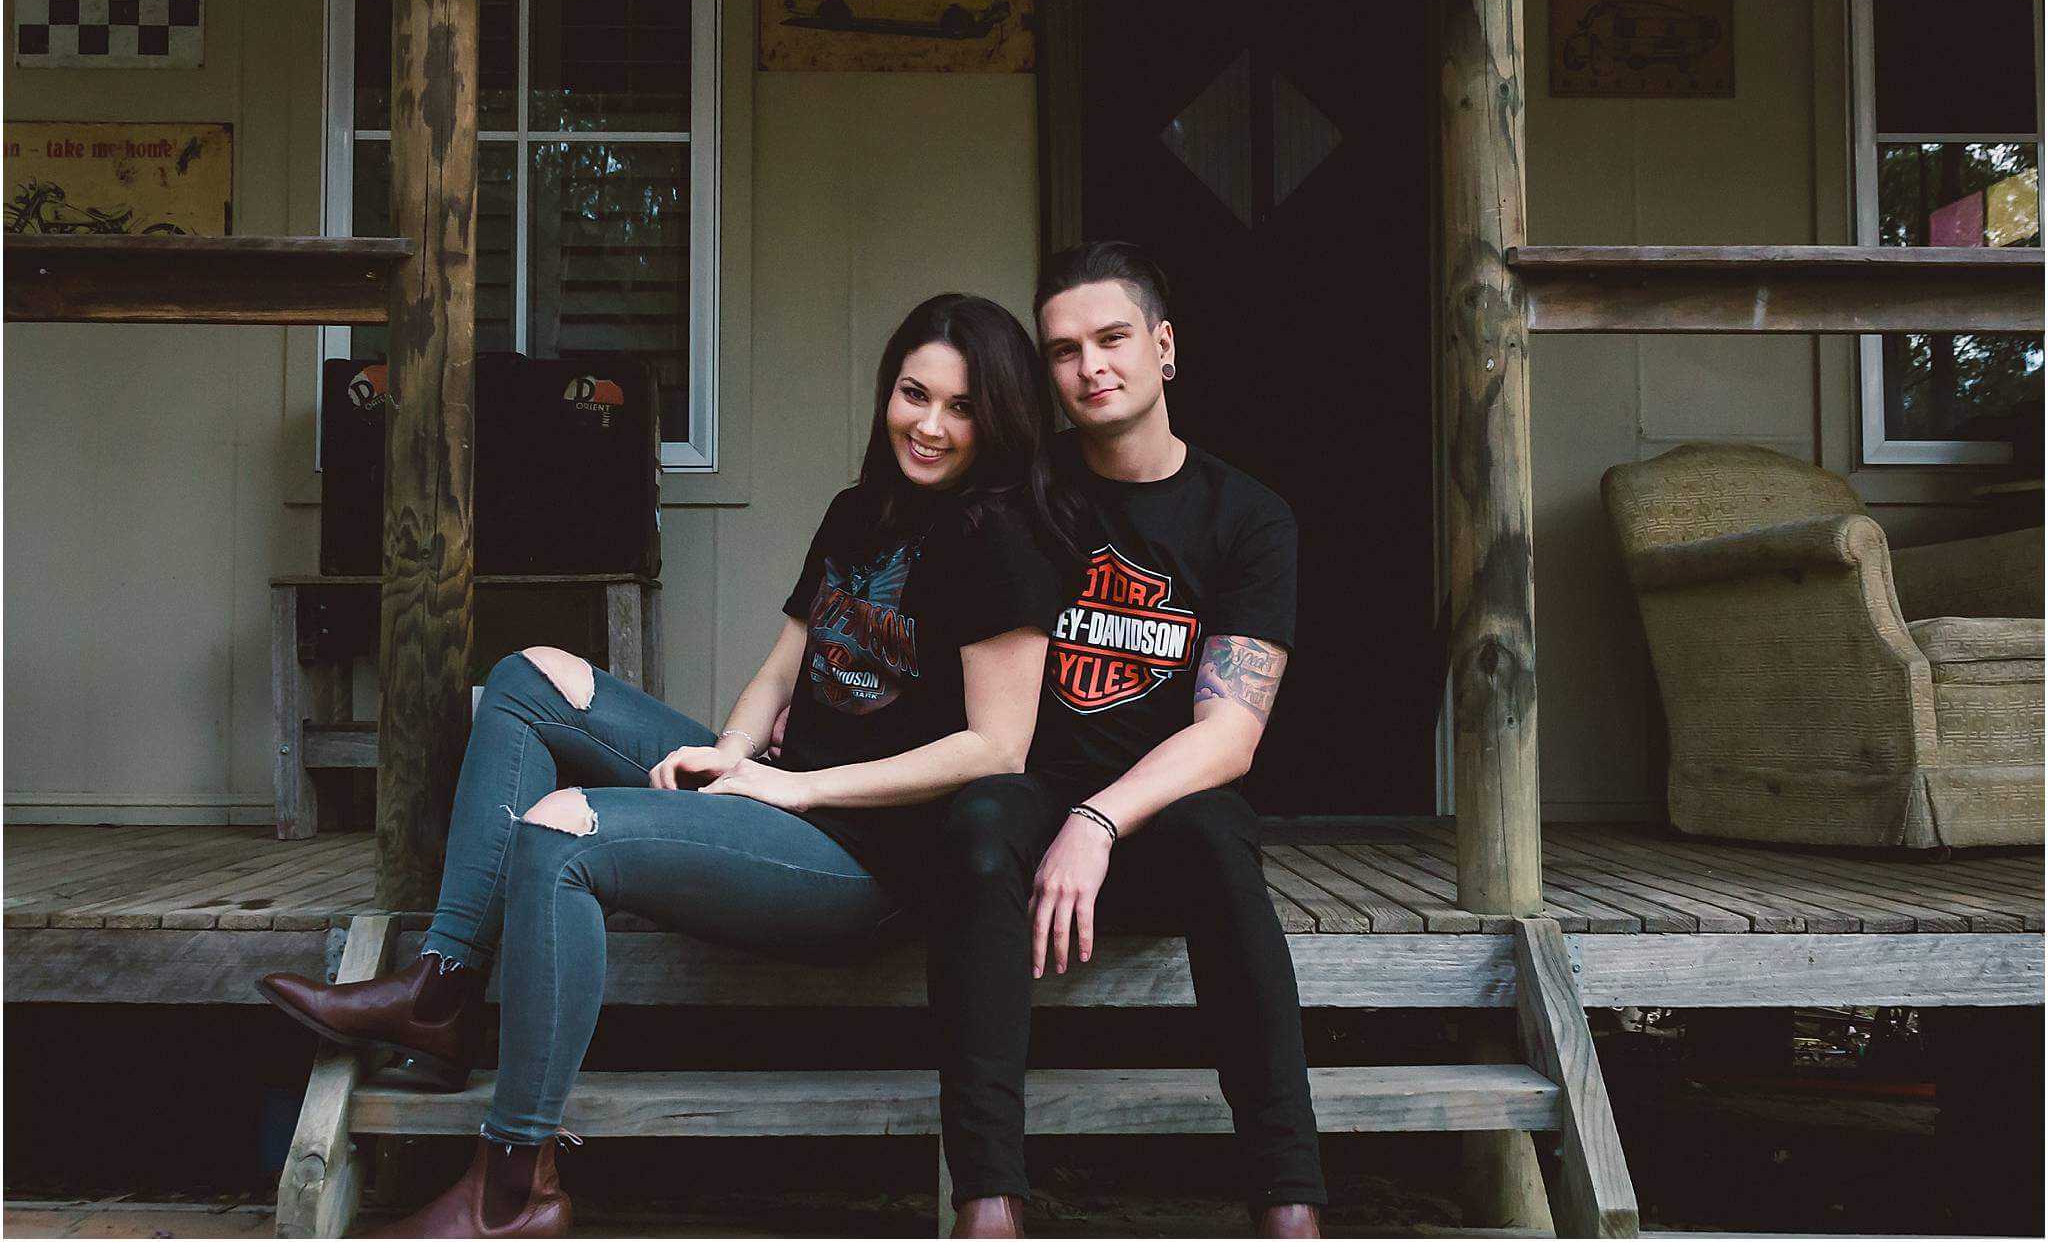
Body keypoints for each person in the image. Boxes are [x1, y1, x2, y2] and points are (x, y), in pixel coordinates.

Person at [258, 293, 1071, 1239]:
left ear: (1000, 416)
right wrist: (728, 752)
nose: (929, 424)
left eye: (961, 407)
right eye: (912, 393)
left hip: (866, 860)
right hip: (773, 797)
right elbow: (783, 668)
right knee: (528, 680)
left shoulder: (1000, 540)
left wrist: (792, 785)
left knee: (563, 835)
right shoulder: (864, 511)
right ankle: (440, 989)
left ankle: (511, 1190)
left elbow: (996, 748)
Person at [930, 242, 1326, 1239]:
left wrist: (1098, 820)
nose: (1089, 365)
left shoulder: (1247, 516)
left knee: (1221, 835)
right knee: (977, 823)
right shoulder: (1021, 492)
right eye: (1062, 350)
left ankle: (1287, 1198)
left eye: (1111, 338)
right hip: (1030, 802)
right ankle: (988, 1196)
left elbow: (1229, 733)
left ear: (1163, 346)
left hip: (1154, 816)